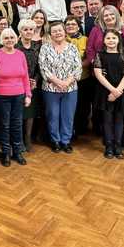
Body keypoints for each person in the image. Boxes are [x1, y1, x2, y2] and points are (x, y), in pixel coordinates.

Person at [86, 5, 124, 142]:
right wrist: (96, 64)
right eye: (105, 15)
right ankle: (107, 138)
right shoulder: (96, 30)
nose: (109, 18)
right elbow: (90, 50)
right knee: (106, 110)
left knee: (122, 110)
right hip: (104, 77)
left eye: (112, 15)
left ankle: (121, 138)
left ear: (117, 15)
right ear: (101, 17)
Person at [0, 28, 31, 166]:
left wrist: (28, 94)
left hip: (19, 95)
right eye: (6, 38)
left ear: (16, 39)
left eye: (11, 37)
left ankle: (17, 152)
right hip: (1, 96)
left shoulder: (20, 55)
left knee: (17, 124)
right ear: (1, 40)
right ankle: (6, 153)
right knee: (4, 125)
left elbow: (25, 76)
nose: (9, 40)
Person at [39, 21, 82, 154]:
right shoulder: (45, 48)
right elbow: (43, 67)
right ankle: (55, 141)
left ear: (64, 32)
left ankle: (66, 141)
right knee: (53, 115)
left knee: (68, 116)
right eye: (54, 31)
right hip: (51, 88)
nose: (58, 33)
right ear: (50, 34)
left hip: (70, 89)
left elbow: (78, 67)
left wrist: (67, 82)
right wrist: (58, 82)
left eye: (60, 30)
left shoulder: (72, 47)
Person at [93, 29, 124, 159]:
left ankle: (118, 146)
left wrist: (117, 91)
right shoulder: (100, 54)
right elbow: (98, 74)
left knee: (119, 120)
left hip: (122, 90)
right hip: (105, 91)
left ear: (119, 40)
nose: (111, 41)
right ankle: (109, 146)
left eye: (114, 38)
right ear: (104, 41)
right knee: (107, 120)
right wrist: (112, 90)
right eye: (108, 38)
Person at [16, 19, 42, 150]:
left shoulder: (37, 47)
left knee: (30, 113)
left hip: (33, 84)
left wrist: (35, 80)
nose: (28, 32)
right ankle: (19, 139)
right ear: (20, 31)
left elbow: (39, 67)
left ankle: (28, 138)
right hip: (17, 84)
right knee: (19, 113)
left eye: (31, 29)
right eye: (25, 29)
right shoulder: (15, 47)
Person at [65, 16, 91, 136]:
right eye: (68, 24)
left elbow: (89, 58)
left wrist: (77, 67)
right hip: (65, 80)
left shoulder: (86, 39)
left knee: (82, 105)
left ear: (78, 26)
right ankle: (69, 130)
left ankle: (81, 129)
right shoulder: (61, 39)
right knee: (68, 107)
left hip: (82, 78)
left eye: (73, 24)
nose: (70, 26)